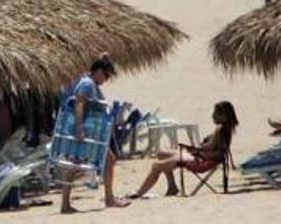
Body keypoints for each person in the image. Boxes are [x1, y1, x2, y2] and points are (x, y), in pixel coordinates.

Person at [60, 55, 129, 214]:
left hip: (87, 131)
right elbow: (79, 103)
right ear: (98, 71)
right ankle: (108, 199)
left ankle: (67, 204)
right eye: (105, 75)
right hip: (84, 131)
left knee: (81, 162)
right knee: (78, 163)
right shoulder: (88, 84)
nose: (106, 79)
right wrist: (79, 128)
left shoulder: (88, 82)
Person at [129, 101, 238, 199]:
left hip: (201, 158)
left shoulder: (220, 129)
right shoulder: (226, 129)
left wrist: (193, 148)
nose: (212, 115)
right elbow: (214, 147)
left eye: (215, 113)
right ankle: (172, 187)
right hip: (203, 156)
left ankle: (139, 193)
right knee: (161, 153)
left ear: (223, 115)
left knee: (156, 166)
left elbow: (210, 148)